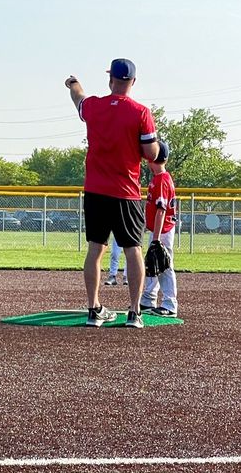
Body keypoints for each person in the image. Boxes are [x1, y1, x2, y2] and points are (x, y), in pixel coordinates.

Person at [65, 58, 159, 328]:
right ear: (133, 82)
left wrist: (73, 83)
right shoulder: (141, 112)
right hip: (126, 192)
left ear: (110, 79)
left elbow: (78, 96)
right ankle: (134, 313)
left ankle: (94, 309)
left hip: (95, 190)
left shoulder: (95, 106)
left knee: (96, 249)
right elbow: (151, 153)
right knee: (133, 250)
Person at [140, 141, 178, 317]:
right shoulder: (158, 178)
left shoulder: (162, 179)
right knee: (153, 264)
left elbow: (161, 211)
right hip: (159, 230)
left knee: (164, 266)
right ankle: (148, 300)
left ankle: (170, 305)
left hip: (162, 231)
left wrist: (156, 238)